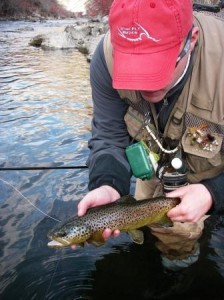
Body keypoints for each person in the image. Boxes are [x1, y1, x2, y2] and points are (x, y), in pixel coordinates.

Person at [73, 0, 224, 271]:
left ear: (192, 40)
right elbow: (109, 135)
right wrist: (107, 184)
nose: (144, 84)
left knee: (181, 238)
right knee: (148, 220)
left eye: (157, 66)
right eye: (133, 68)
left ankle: (182, 270)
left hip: (213, 170)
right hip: (153, 165)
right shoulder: (105, 59)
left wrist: (214, 193)